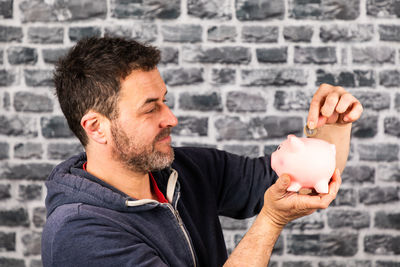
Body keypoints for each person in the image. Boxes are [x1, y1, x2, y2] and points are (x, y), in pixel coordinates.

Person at [41, 36, 363, 267]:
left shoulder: (187, 169)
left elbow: (297, 176)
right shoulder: (78, 234)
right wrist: (271, 220)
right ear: (96, 127)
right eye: (150, 109)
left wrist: (335, 123)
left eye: (164, 100)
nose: (171, 118)